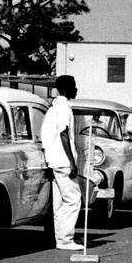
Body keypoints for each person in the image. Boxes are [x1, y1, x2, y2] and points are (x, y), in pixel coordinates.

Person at [41, 75, 83, 251]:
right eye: (74, 86)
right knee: (74, 200)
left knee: (60, 203)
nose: (76, 90)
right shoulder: (64, 107)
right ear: (67, 89)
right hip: (64, 161)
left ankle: (61, 238)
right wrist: (72, 162)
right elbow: (63, 133)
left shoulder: (52, 107)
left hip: (54, 161)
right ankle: (66, 239)